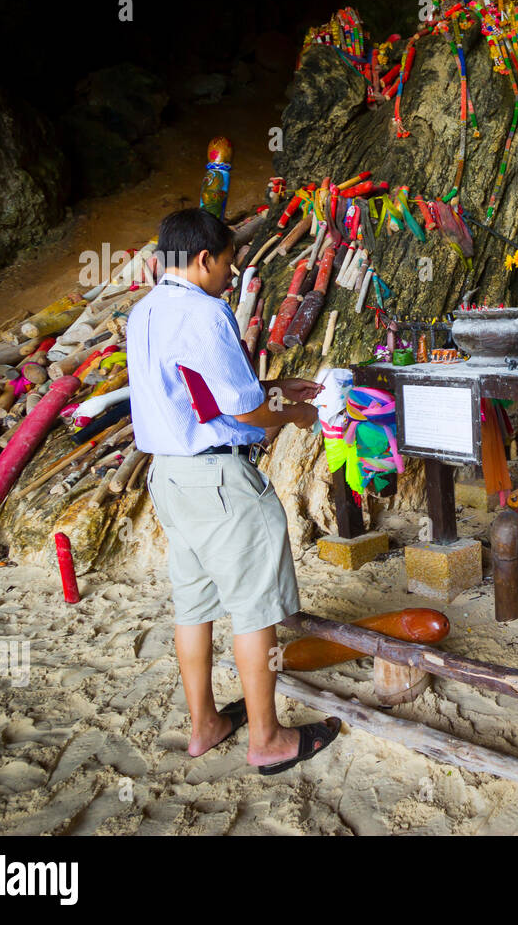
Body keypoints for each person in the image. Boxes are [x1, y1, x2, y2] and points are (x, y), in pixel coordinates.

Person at [127, 208, 340, 775]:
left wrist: (272, 386)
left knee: (193, 605)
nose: (231, 271)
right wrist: (295, 413)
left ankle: (204, 725)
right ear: (202, 259)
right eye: (227, 261)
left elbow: (194, 393)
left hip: (169, 479)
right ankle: (266, 738)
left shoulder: (144, 311)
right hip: (219, 482)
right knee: (252, 609)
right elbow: (242, 410)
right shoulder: (205, 312)